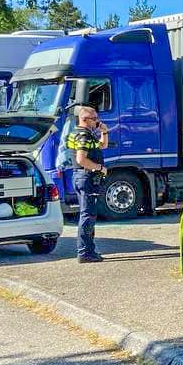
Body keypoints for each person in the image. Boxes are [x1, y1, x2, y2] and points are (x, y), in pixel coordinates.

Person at [67, 105, 109, 262]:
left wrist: (104, 132)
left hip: (81, 177)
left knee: (88, 215)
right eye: (95, 119)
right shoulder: (84, 136)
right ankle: (85, 253)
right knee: (88, 216)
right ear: (84, 119)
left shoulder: (81, 133)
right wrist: (100, 168)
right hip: (87, 177)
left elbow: (102, 145)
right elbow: (81, 159)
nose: (97, 121)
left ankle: (89, 251)